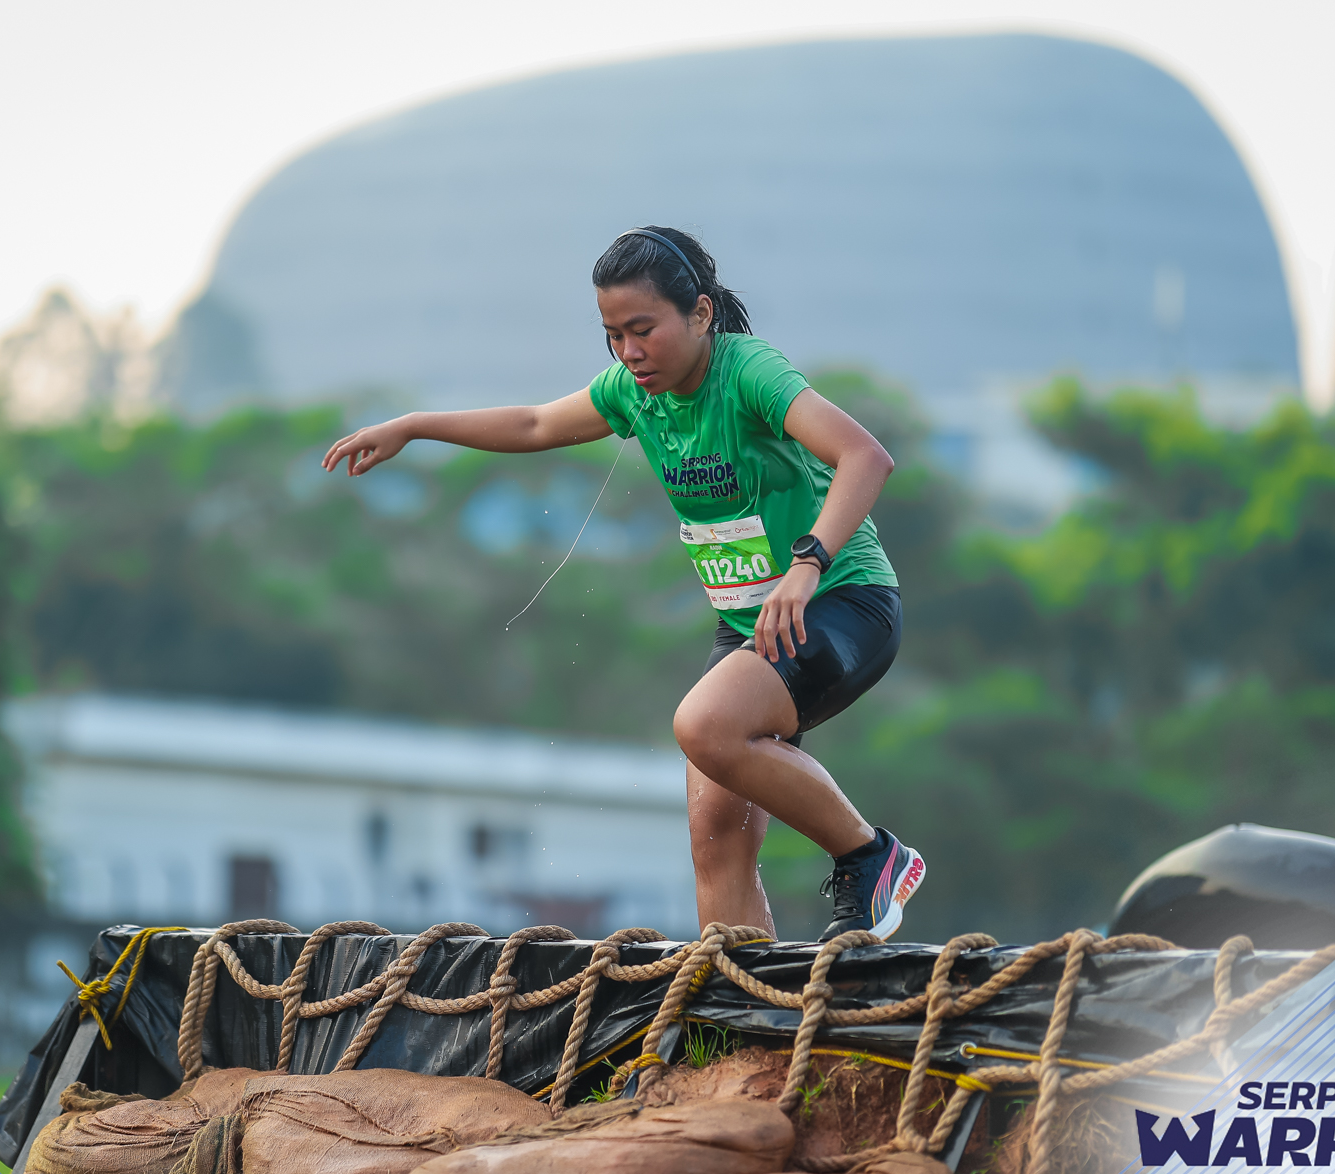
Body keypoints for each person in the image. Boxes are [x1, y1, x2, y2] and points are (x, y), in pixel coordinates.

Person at [322, 226, 922, 941]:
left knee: (704, 726)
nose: (629, 353)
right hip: (749, 623)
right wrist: (415, 426)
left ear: (700, 314)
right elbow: (535, 423)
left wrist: (806, 564)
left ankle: (870, 855)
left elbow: (865, 456)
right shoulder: (634, 392)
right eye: (613, 336)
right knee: (715, 837)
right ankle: (734, 999)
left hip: (839, 602)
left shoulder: (749, 371)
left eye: (643, 330)